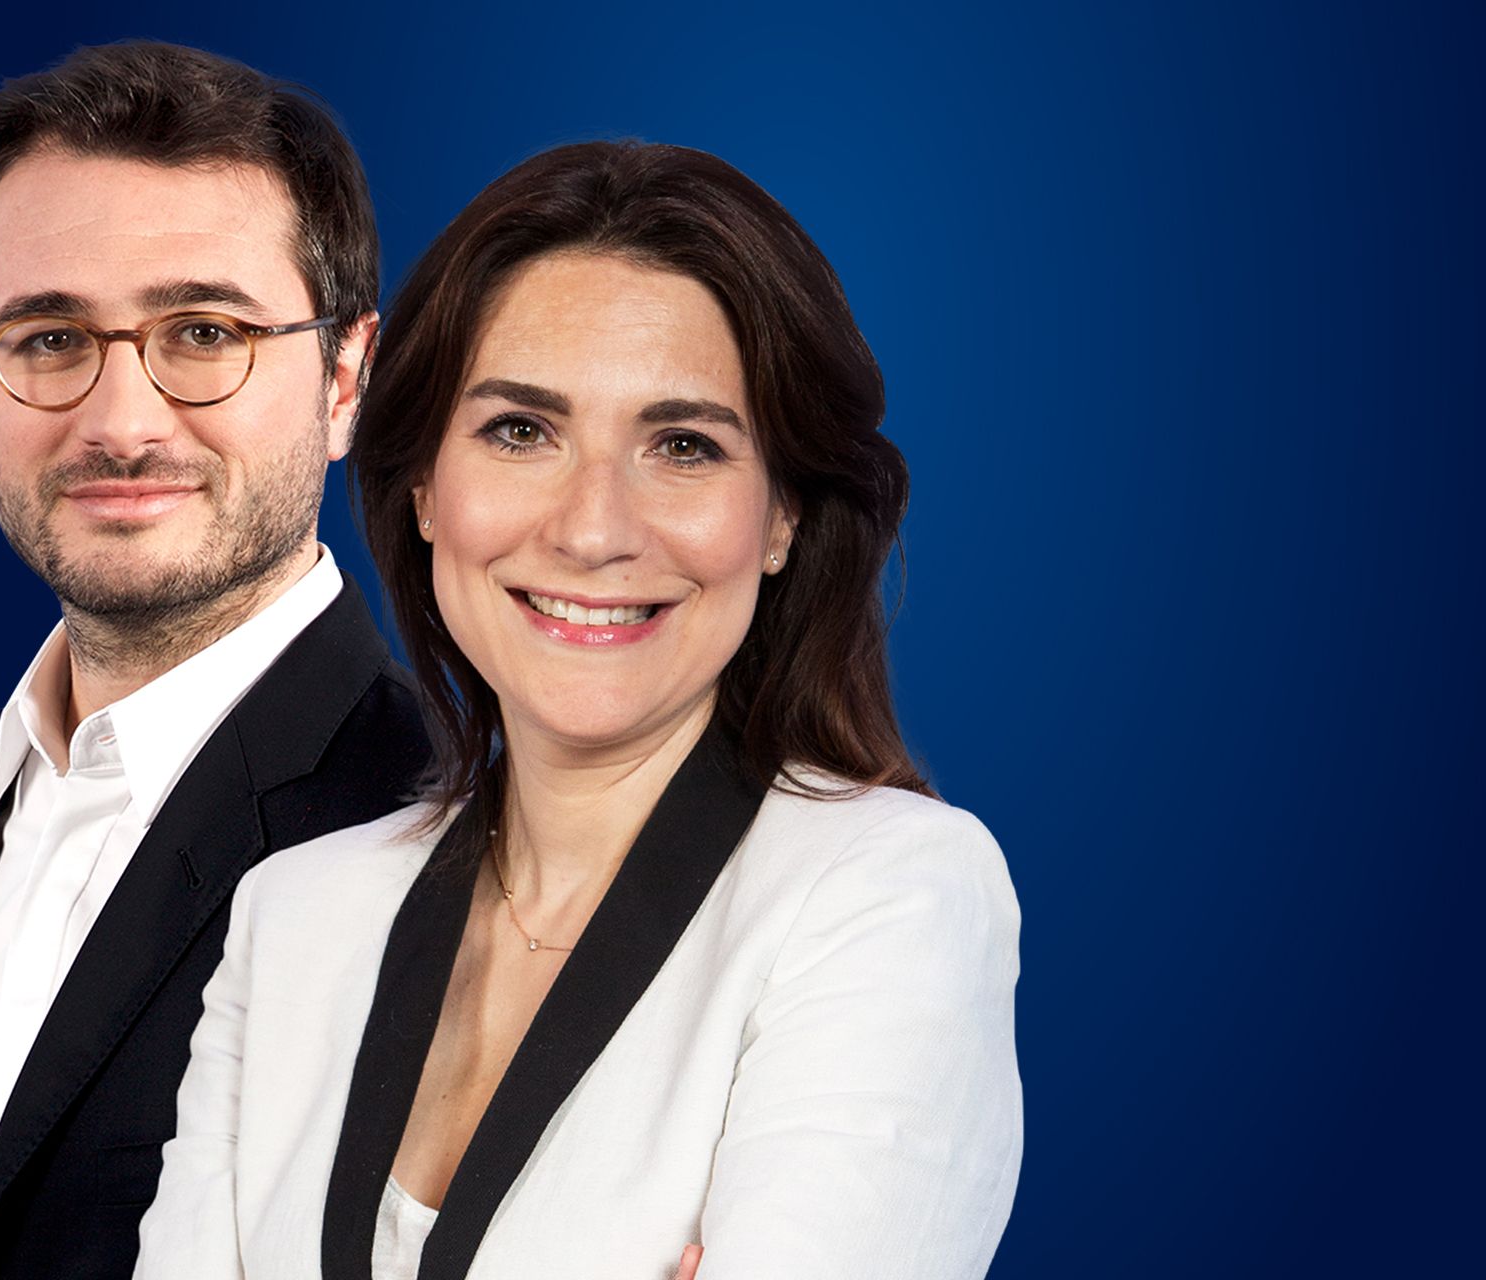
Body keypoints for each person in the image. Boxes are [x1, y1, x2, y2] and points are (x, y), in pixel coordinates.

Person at [134, 141, 1022, 1279]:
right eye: (521, 430)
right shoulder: (294, 914)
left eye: (684, 446)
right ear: (423, 487)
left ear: (782, 516)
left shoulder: (889, 896)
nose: (594, 529)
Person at [0, 42, 431, 1279]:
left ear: (343, 378)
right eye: (50, 337)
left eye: (204, 331)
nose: (121, 420)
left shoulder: (457, 825)